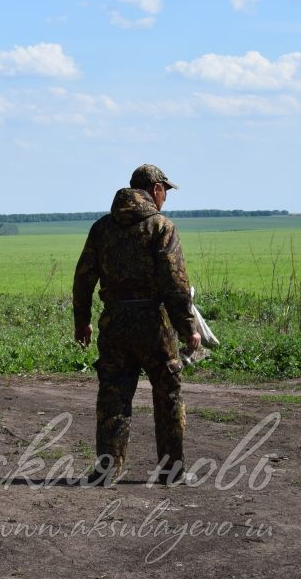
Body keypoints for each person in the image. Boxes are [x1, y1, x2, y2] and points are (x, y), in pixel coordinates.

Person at [72, 164, 201, 486]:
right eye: (166, 192)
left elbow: (83, 278)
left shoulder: (102, 227)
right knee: (167, 394)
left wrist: (82, 321)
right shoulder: (161, 227)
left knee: (113, 395)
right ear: (156, 189)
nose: (166, 198)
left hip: (114, 321)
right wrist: (188, 328)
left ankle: (106, 471)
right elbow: (176, 284)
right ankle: (172, 472)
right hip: (152, 323)